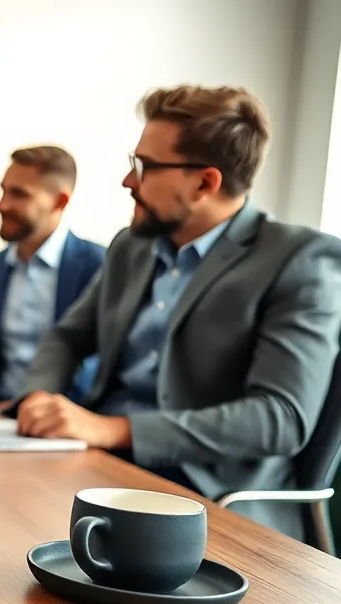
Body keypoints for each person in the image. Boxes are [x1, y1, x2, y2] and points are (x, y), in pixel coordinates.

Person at [17, 85, 341, 541]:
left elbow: (279, 418)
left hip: (207, 501)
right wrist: (40, 397)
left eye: (144, 167)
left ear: (206, 182)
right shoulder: (132, 246)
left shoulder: (300, 260)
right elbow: (69, 337)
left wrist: (116, 429)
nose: (128, 181)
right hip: (99, 470)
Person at [0, 146, 105, 404]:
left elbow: (96, 359)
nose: (3, 205)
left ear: (60, 202)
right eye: (3, 190)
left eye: (19, 195)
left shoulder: (99, 265)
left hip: (66, 413)